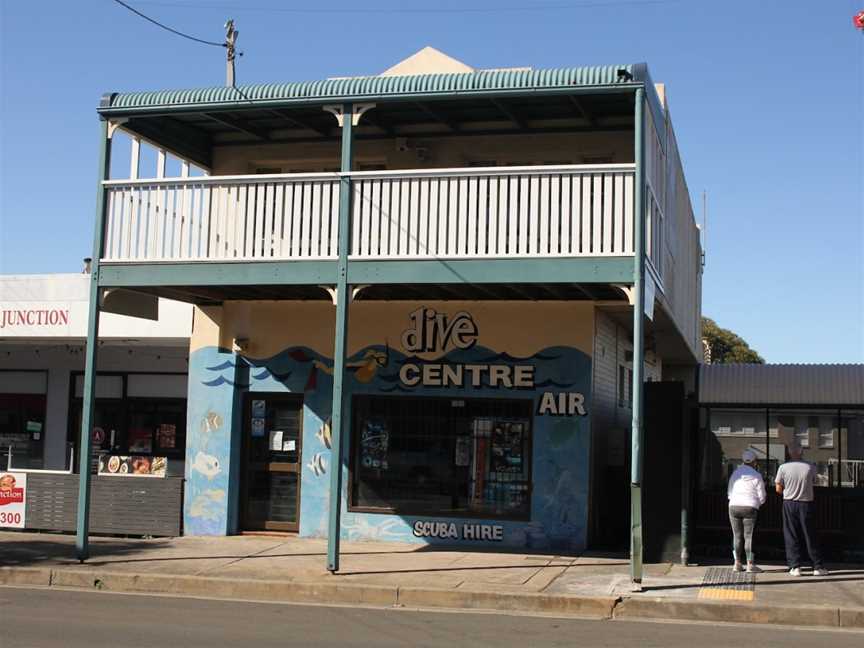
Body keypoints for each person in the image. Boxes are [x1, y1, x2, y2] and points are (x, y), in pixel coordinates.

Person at [775, 443, 829, 576]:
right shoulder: (810, 466)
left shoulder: (783, 467)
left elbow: (778, 488)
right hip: (806, 503)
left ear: (789, 452)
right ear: (802, 452)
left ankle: (795, 567)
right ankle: (817, 566)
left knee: (791, 534)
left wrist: (788, 493)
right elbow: (815, 481)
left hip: (789, 503)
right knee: (810, 534)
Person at [727, 449, 766, 573]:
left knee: (737, 535)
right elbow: (762, 497)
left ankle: (737, 563)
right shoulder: (757, 475)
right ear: (754, 462)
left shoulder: (735, 474)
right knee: (749, 536)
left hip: (734, 506)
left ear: (742, 461)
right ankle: (750, 564)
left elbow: (729, 493)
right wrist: (756, 504)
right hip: (750, 507)